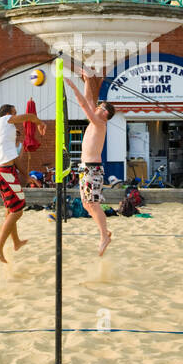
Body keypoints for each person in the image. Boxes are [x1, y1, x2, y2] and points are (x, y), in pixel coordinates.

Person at [64, 65, 117, 256]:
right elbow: (89, 100)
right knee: (87, 204)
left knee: (92, 203)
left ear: (104, 114)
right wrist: (87, 80)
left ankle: (104, 236)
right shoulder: (96, 121)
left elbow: (85, 105)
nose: (96, 107)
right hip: (85, 168)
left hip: (92, 169)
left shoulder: (99, 123)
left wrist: (73, 87)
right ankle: (105, 233)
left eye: (99, 107)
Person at [0, 102, 46, 264]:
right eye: (15, 113)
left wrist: (27, 176)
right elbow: (29, 117)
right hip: (4, 172)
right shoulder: (5, 120)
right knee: (18, 211)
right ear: (8, 113)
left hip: (2, 171)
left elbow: (14, 159)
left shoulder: (4, 130)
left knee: (11, 209)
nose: (16, 115)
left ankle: (16, 242)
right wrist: (39, 122)